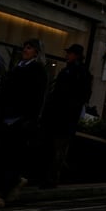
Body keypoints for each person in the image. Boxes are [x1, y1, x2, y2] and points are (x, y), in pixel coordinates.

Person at [0, 39, 48, 209]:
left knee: (11, 157)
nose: (25, 50)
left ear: (36, 52)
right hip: (6, 118)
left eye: (29, 48)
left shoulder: (37, 70)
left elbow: (37, 98)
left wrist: (29, 119)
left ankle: (2, 195)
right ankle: (12, 183)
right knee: (2, 156)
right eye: (25, 47)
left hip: (19, 120)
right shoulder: (19, 66)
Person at [40, 43, 92, 189]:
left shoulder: (78, 73)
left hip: (65, 117)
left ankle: (51, 178)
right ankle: (48, 177)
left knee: (58, 149)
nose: (67, 55)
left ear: (76, 55)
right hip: (60, 116)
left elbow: (82, 95)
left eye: (69, 53)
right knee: (54, 148)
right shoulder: (69, 71)